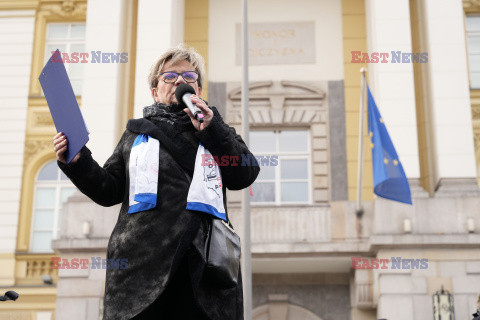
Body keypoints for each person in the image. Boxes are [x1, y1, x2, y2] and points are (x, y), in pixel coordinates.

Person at [53, 44, 259, 320]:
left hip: (203, 263)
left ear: (198, 89)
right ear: (155, 91)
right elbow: (108, 190)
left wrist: (213, 131)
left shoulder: (215, 128)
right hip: (142, 264)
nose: (181, 82)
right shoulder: (135, 134)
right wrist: (77, 160)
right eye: (170, 77)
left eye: (189, 77)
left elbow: (244, 174)